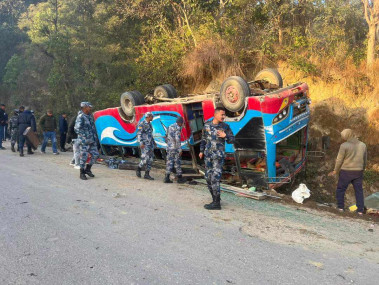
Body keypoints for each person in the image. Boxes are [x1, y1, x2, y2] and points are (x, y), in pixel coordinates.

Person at [199, 107, 235, 210]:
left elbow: (232, 140)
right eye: (222, 115)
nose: (224, 117)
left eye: (224, 115)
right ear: (215, 114)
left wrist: (225, 136)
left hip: (218, 157)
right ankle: (215, 199)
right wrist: (201, 151)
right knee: (208, 178)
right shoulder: (207, 125)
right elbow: (203, 139)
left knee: (215, 178)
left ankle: (216, 203)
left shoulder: (225, 127)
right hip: (208, 156)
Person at [328, 129, 367, 215]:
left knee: (341, 189)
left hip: (346, 171)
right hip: (358, 172)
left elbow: (339, 160)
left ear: (346, 136)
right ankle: (360, 210)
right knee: (359, 191)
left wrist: (335, 170)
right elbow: (365, 159)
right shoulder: (363, 145)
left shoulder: (344, 145)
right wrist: (362, 169)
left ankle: (340, 207)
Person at [75, 102, 99, 180]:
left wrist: (95, 138)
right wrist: (84, 137)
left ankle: (88, 169)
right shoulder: (81, 117)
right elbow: (77, 129)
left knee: (95, 155)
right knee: (84, 157)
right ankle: (82, 172)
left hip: (92, 140)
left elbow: (93, 128)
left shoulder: (89, 116)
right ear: (85, 107)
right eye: (89, 107)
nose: (90, 108)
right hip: (84, 141)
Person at [164, 117, 185, 184]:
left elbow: (166, 137)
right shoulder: (177, 128)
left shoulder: (170, 126)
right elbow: (177, 140)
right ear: (180, 122)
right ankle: (179, 178)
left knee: (169, 162)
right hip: (175, 148)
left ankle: (167, 177)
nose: (182, 125)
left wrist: (169, 144)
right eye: (182, 123)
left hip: (169, 147)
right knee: (177, 162)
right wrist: (180, 149)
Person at [136, 112, 155, 180]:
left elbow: (150, 134)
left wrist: (154, 142)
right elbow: (139, 134)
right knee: (145, 159)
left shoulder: (150, 124)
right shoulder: (142, 124)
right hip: (145, 145)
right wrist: (141, 143)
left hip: (150, 145)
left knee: (151, 159)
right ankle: (138, 168)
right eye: (151, 116)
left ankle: (147, 174)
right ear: (148, 117)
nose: (152, 117)